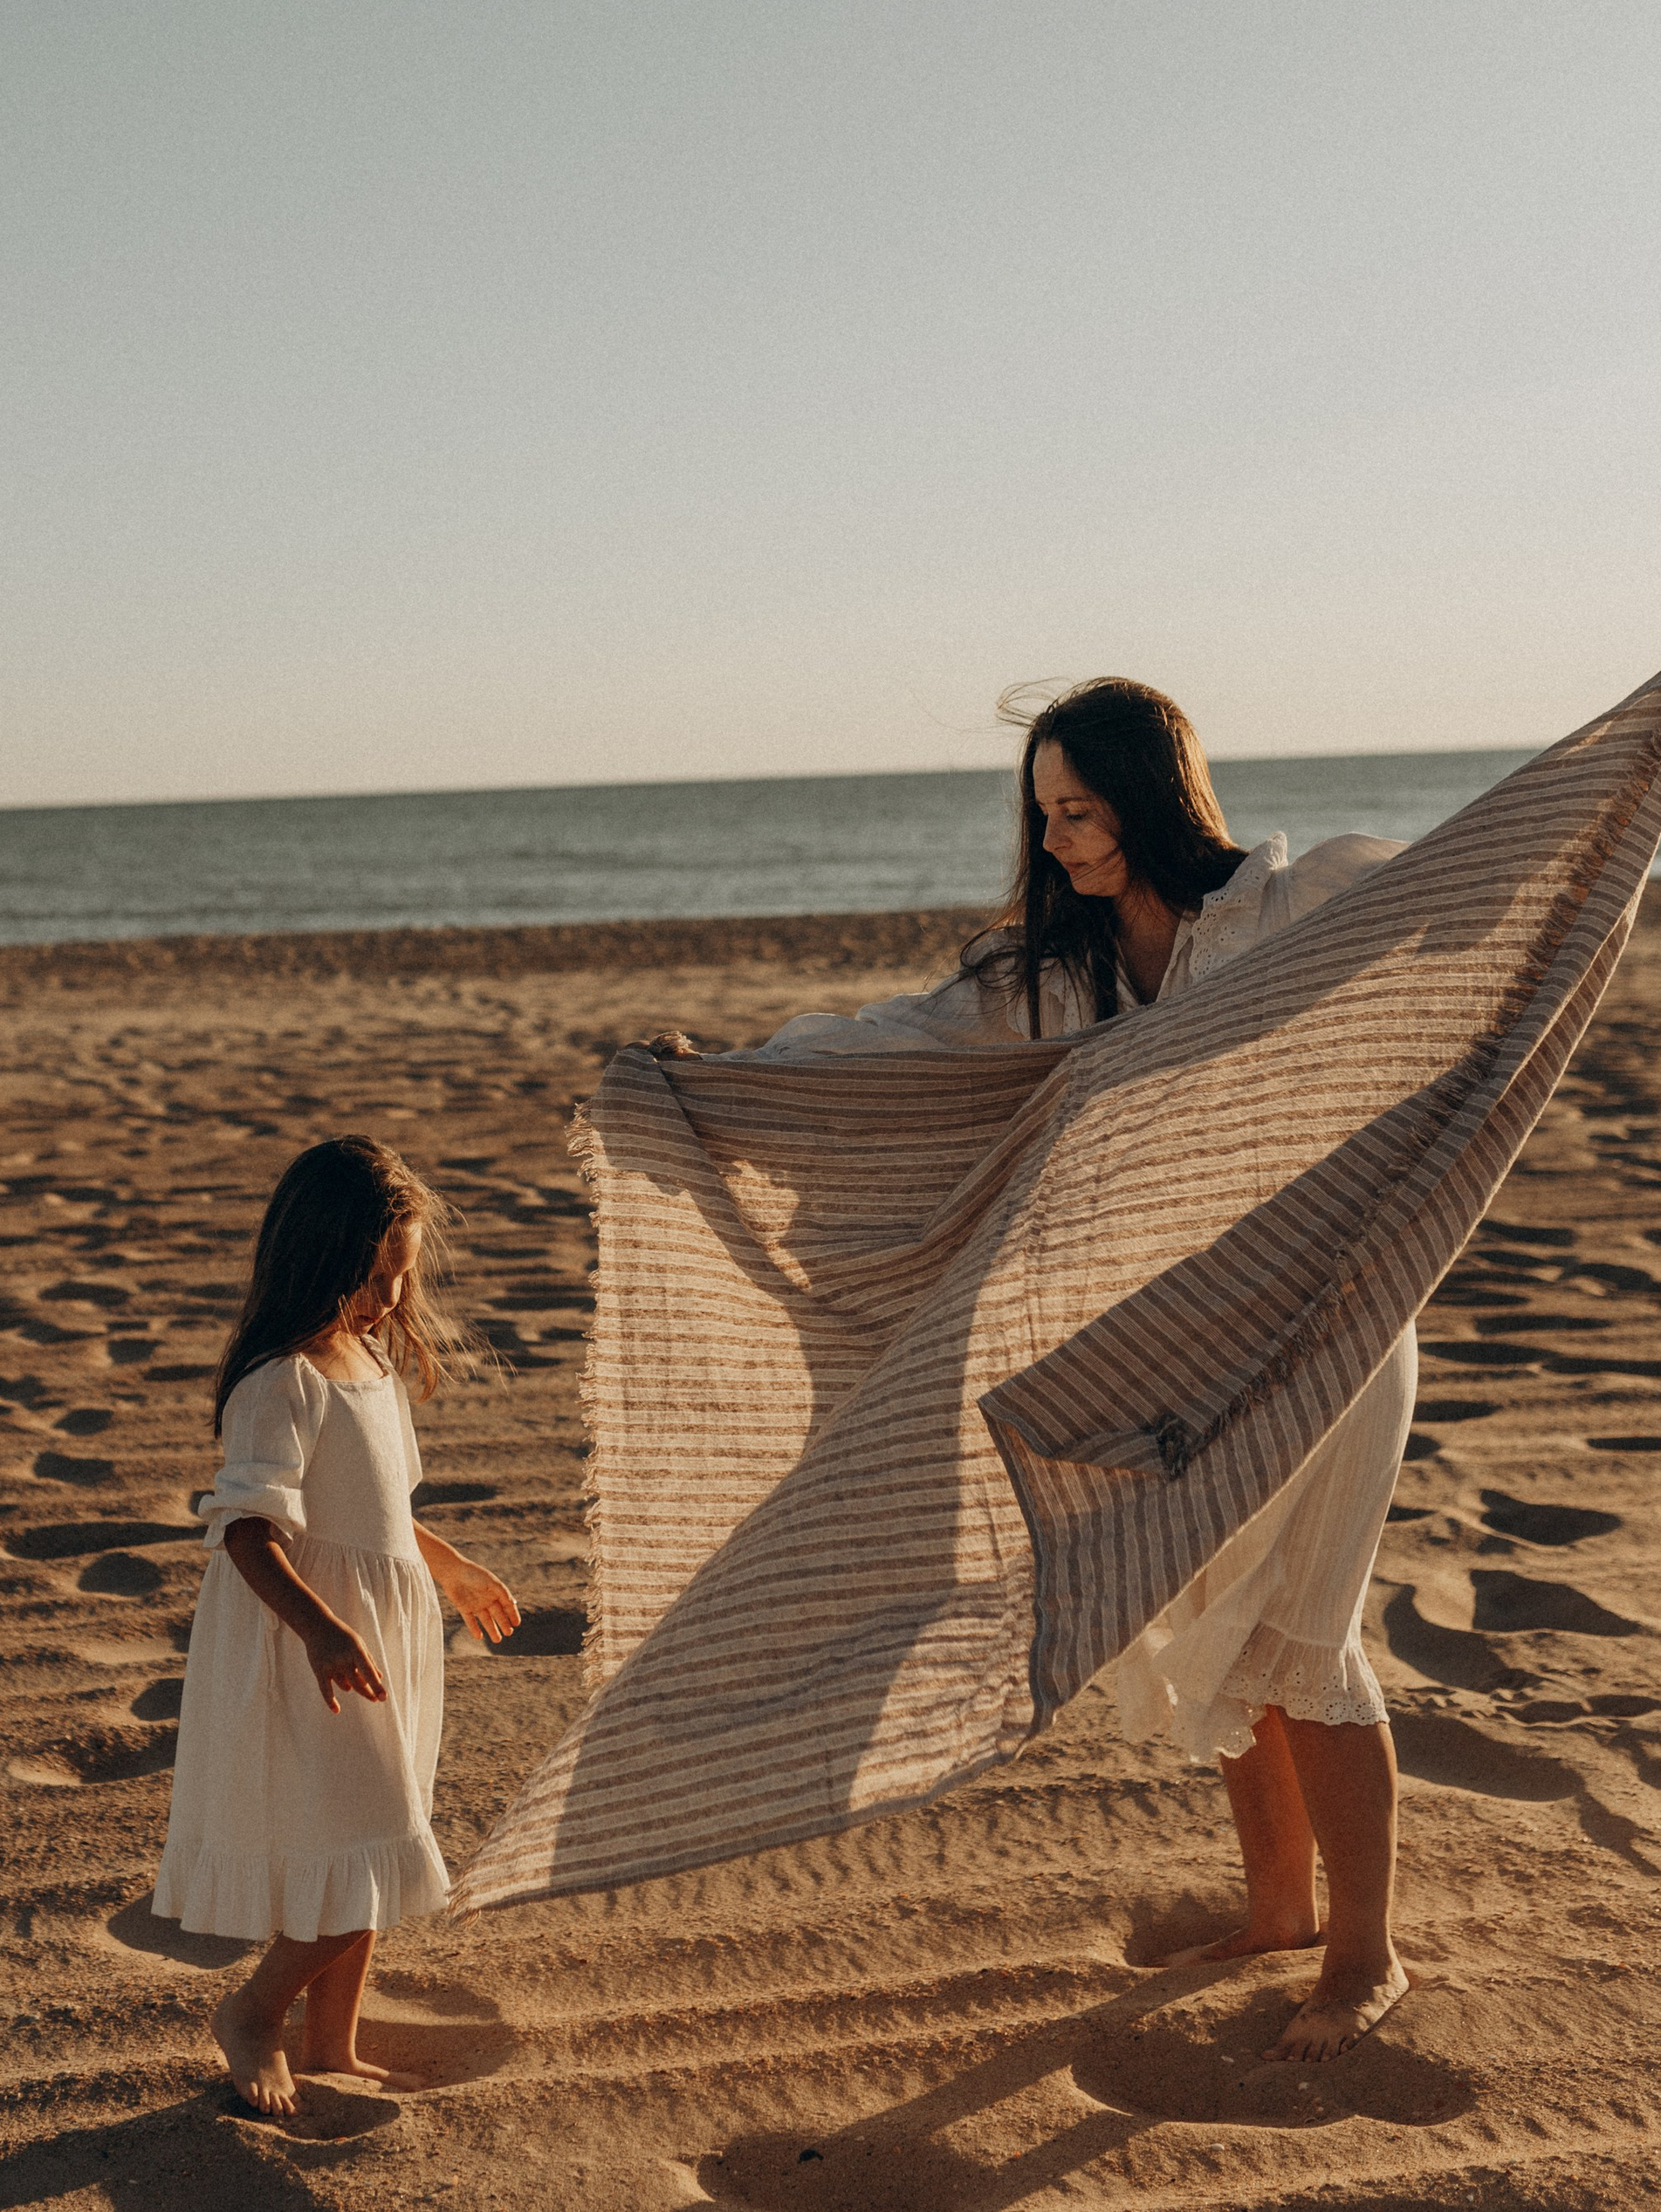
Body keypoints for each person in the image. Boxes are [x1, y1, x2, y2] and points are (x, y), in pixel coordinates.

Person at [652, 677, 1413, 2062]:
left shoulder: (1290, 905)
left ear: (1152, 794)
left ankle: (1365, 1955)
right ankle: (1275, 1913)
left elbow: (1485, 886)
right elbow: (887, 1044)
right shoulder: (1048, 977)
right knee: (1221, 1617)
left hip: (1338, 1320)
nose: (1059, 839)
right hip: (1182, 1337)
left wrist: (1597, 796)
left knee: (1312, 1626)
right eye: (1044, 815)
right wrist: (725, 1079)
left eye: (1082, 809)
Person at [153, 1134, 520, 2115]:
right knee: (380, 1840)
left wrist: (451, 1567)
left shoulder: (369, 1364)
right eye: (372, 1277)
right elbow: (245, 1529)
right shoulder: (280, 1382)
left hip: (385, 1633)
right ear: (317, 1259)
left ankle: (334, 2042)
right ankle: (254, 2013)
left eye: (399, 1277)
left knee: (370, 1840)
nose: (390, 1299)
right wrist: (317, 1628)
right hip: (313, 1644)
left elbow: (383, 1506)